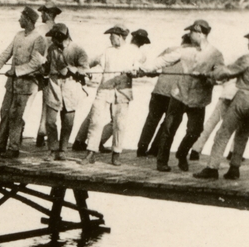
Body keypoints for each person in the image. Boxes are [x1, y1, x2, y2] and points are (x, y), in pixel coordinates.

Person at [192, 27, 249, 180]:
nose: (248, 43)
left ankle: (212, 168)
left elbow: (226, 72)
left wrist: (209, 74)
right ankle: (234, 168)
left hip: (244, 99)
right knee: (243, 135)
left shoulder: (247, 59)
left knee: (223, 133)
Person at [143, 20, 225, 172]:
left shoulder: (215, 54)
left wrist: (209, 77)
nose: (189, 34)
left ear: (200, 33)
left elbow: (221, 74)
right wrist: (143, 68)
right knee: (169, 129)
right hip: (179, 95)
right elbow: (163, 60)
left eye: (192, 32)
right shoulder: (184, 50)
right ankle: (162, 161)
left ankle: (182, 153)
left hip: (199, 99)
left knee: (195, 131)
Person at [0, 6, 47, 158]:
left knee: (17, 116)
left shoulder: (38, 39)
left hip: (26, 85)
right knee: (4, 112)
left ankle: (13, 148)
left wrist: (17, 71)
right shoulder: (18, 35)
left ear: (28, 20)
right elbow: (6, 53)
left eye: (21, 18)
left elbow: (36, 63)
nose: (19, 20)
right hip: (12, 84)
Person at [81, 25, 141, 165]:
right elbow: (100, 67)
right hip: (105, 88)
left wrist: (134, 72)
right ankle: (91, 152)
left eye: (111, 36)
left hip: (122, 91)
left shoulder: (133, 51)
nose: (109, 38)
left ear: (119, 36)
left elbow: (137, 69)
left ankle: (116, 154)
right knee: (95, 120)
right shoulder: (107, 51)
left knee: (119, 123)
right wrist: (90, 72)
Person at [130, 33, 192, 157]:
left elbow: (156, 64)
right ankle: (154, 149)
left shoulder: (170, 49)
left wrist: (146, 72)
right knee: (167, 125)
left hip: (159, 90)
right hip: (175, 95)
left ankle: (141, 149)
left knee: (151, 121)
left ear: (183, 40)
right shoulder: (193, 55)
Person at [42, 23, 89, 161]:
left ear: (61, 37)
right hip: (54, 86)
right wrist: (43, 68)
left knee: (67, 122)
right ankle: (52, 149)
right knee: (50, 121)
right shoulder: (51, 49)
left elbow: (85, 69)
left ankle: (63, 150)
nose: (52, 40)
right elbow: (47, 66)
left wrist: (70, 70)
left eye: (54, 37)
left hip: (71, 87)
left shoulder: (77, 50)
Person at [34, 4, 62, 148]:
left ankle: (38, 133)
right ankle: (41, 133)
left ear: (47, 14)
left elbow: (34, 50)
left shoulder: (39, 29)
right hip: (53, 71)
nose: (41, 15)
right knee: (47, 103)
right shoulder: (62, 29)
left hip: (39, 69)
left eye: (43, 12)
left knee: (28, 101)